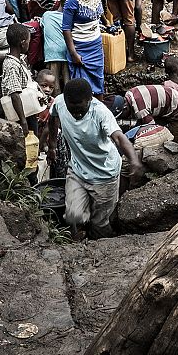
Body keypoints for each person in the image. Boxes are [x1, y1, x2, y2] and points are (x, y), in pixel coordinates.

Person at [47, 79, 143, 240]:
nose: (76, 114)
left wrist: (133, 159)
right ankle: (79, 239)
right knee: (74, 216)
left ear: (90, 100)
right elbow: (52, 118)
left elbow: (119, 137)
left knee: (100, 222)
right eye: (73, 109)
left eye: (80, 109)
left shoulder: (101, 113)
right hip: (78, 170)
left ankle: (102, 248)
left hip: (104, 174)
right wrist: (51, 146)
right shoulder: (60, 103)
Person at [121, 62, 178, 142]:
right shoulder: (129, 93)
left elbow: (153, 130)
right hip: (172, 105)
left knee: (175, 140)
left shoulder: (140, 110)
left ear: (125, 107)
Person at [62, 0, 105, 94]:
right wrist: (73, 53)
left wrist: (107, 22)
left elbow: (99, 9)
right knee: (81, 85)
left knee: (98, 79)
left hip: (96, 45)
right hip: (79, 47)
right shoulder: (72, 1)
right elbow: (66, 28)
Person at [102, 0, 148, 64]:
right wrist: (138, 26)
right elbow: (138, 7)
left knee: (117, 18)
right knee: (129, 20)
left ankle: (119, 51)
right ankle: (131, 54)